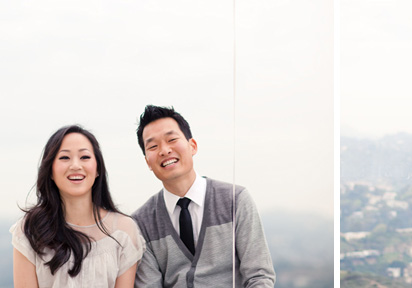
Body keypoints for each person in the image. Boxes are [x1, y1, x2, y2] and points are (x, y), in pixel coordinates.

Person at [132, 105, 275, 288]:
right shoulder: (141, 223)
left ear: (193, 146)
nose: (164, 150)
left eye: (172, 139)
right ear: (147, 162)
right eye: (153, 146)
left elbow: (259, 276)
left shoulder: (236, 200)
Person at [11, 125, 144, 287]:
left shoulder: (124, 231)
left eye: (85, 157)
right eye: (64, 158)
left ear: (97, 169)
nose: (75, 165)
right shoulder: (30, 229)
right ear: (50, 171)